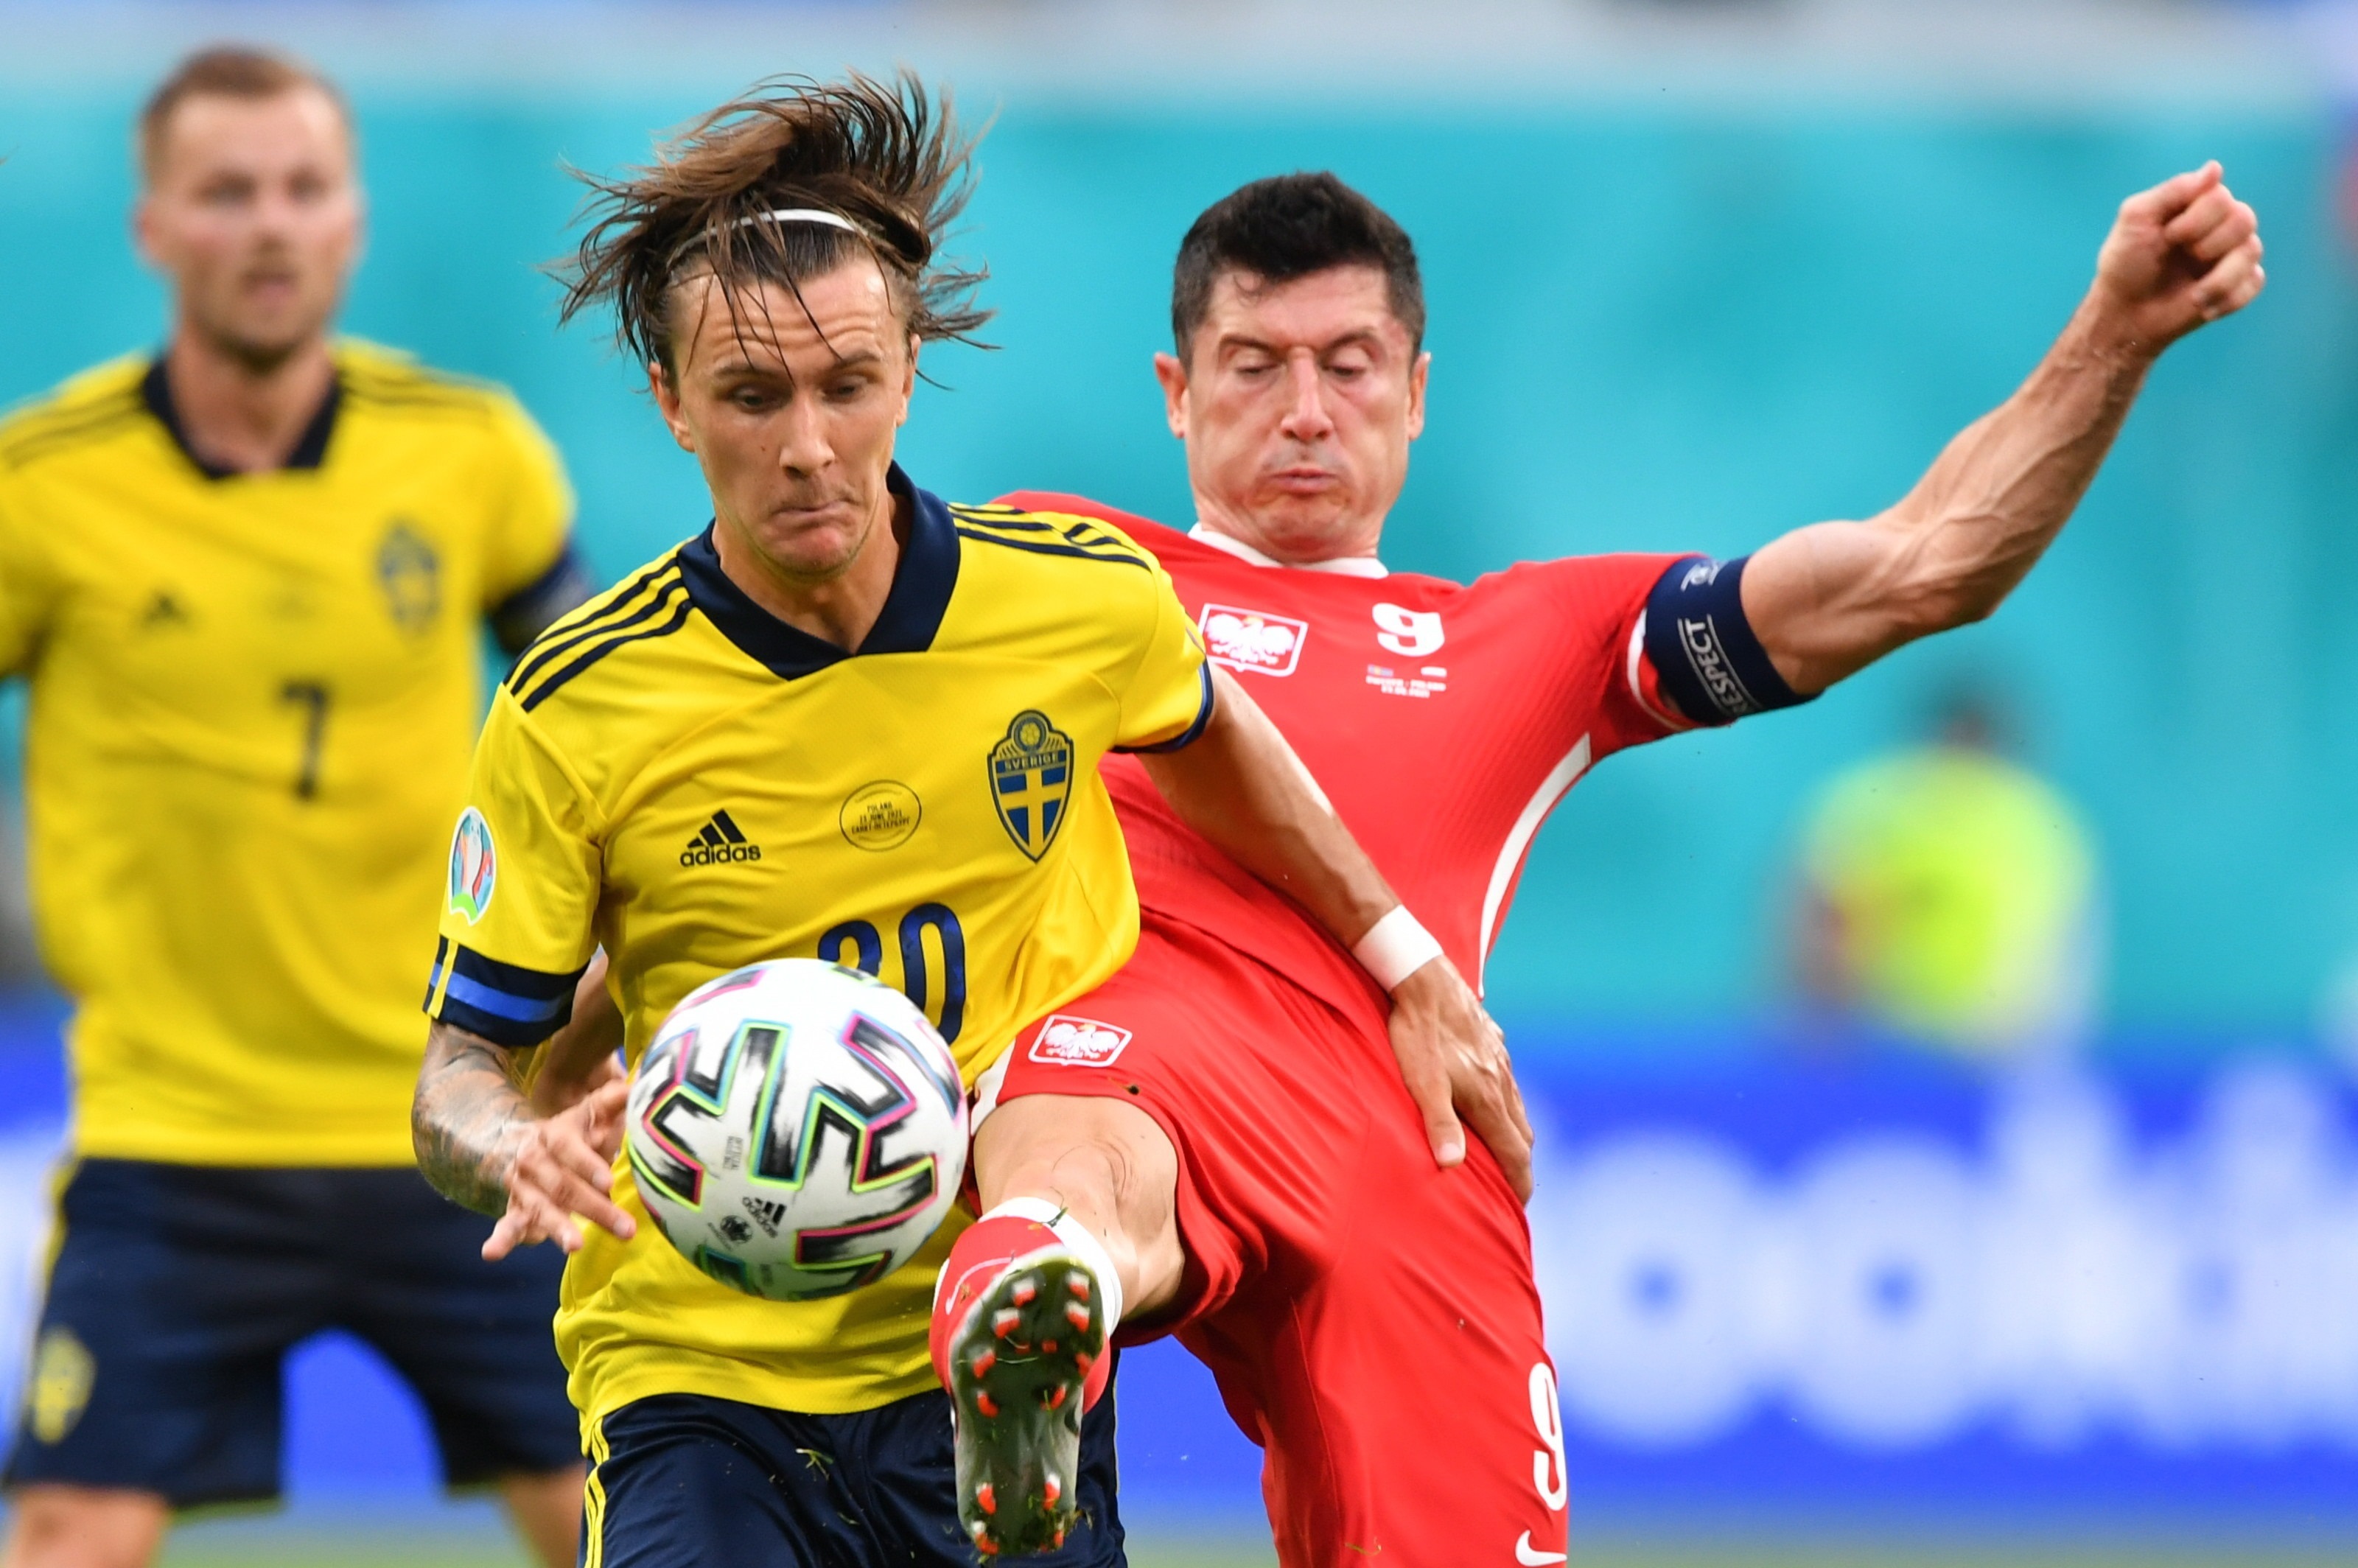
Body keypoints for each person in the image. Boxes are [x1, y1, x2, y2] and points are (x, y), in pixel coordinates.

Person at [933, 164, 2264, 1563]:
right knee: (1093, 1143)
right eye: (1253, 365)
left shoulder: (1528, 639)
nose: (1307, 410)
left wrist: (2116, 329)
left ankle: (1047, 1274)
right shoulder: (1063, 567)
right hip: (1150, 1040)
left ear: (1420, 390)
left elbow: (1917, 565)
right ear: (1175, 391)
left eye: (1350, 365)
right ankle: (1044, 1280)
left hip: (1413, 1135)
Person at [406, 75, 1506, 1568]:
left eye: (846, 383)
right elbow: (461, 1065)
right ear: (669, 401)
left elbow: (1209, 731)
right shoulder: (576, 702)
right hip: (690, 1370)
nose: (808, 444)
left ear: (910, 369)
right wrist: (510, 1145)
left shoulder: (1070, 598)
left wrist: (1404, 959)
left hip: (984, 1349)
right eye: (750, 395)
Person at [0, 46, 596, 1568]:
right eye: (226, 192)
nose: (268, 224)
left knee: (617, 1513)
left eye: (301, 188)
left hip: (452, 1122)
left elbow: (610, 724)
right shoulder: (41, 485)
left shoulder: (468, 456)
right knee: (66, 1527)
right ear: (151, 227)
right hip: (171, 1134)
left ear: (351, 221)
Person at [1794, 686, 2101, 1063]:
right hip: (1883, 1037)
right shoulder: (1874, 804)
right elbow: (1821, 920)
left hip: (1986, 1045)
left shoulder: (2034, 820)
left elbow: (2056, 941)